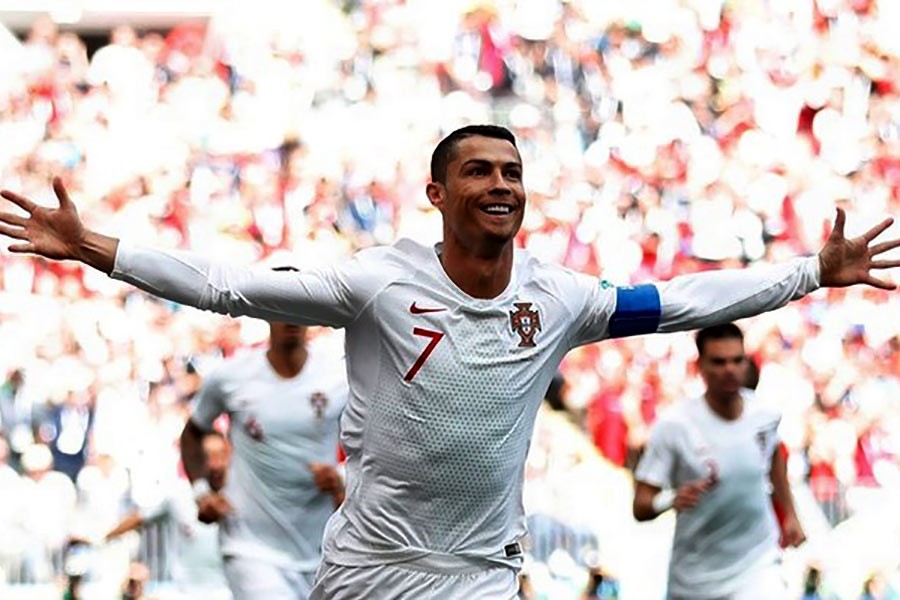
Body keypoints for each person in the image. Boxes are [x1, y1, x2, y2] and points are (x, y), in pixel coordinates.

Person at [1, 124, 898, 598]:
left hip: (478, 569)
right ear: (437, 192)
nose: (501, 184)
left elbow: (681, 304)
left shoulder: (558, 298)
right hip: (369, 565)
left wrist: (811, 273)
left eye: (511, 171)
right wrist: (98, 249)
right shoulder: (376, 285)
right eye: (478, 171)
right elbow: (228, 284)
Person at [180, 296, 348, 600]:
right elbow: (193, 432)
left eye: (301, 308)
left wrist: (343, 476)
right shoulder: (230, 376)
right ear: (265, 313)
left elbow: (380, 442)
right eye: (282, 307)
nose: (292, 318)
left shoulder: (339, 375)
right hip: (250, 546)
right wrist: (201, 493)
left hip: (321, 546)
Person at [632, 323, 806, 599]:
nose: (730, 370)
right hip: (697, 579)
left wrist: (791, 515)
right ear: (700, 365)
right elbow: (641, 505)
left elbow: (773, 458)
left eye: (737, 360)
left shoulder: (765, 416)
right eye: (719, 362)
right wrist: (670, 499)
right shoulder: (675, 425)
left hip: (758, 566)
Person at [98, 431, 231, 599]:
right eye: (208, 456)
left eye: (220, 455)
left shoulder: (244, 498)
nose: (215, 464)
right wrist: (103, 537)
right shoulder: (178, 494)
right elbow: (139, 518)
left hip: (228, 593)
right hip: (184, 593)